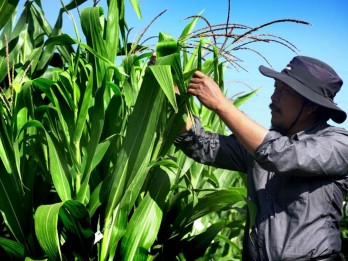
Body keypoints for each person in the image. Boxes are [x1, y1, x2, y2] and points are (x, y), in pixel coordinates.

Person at [174, 56, 348, 260]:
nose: (274, 97)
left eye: (285, 91)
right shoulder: (258, 146)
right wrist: (171, 91)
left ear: (310, 106)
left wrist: (222, 104)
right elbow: (201, 144)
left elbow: (280, 155)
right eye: (276, 87)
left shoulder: (338, 144)